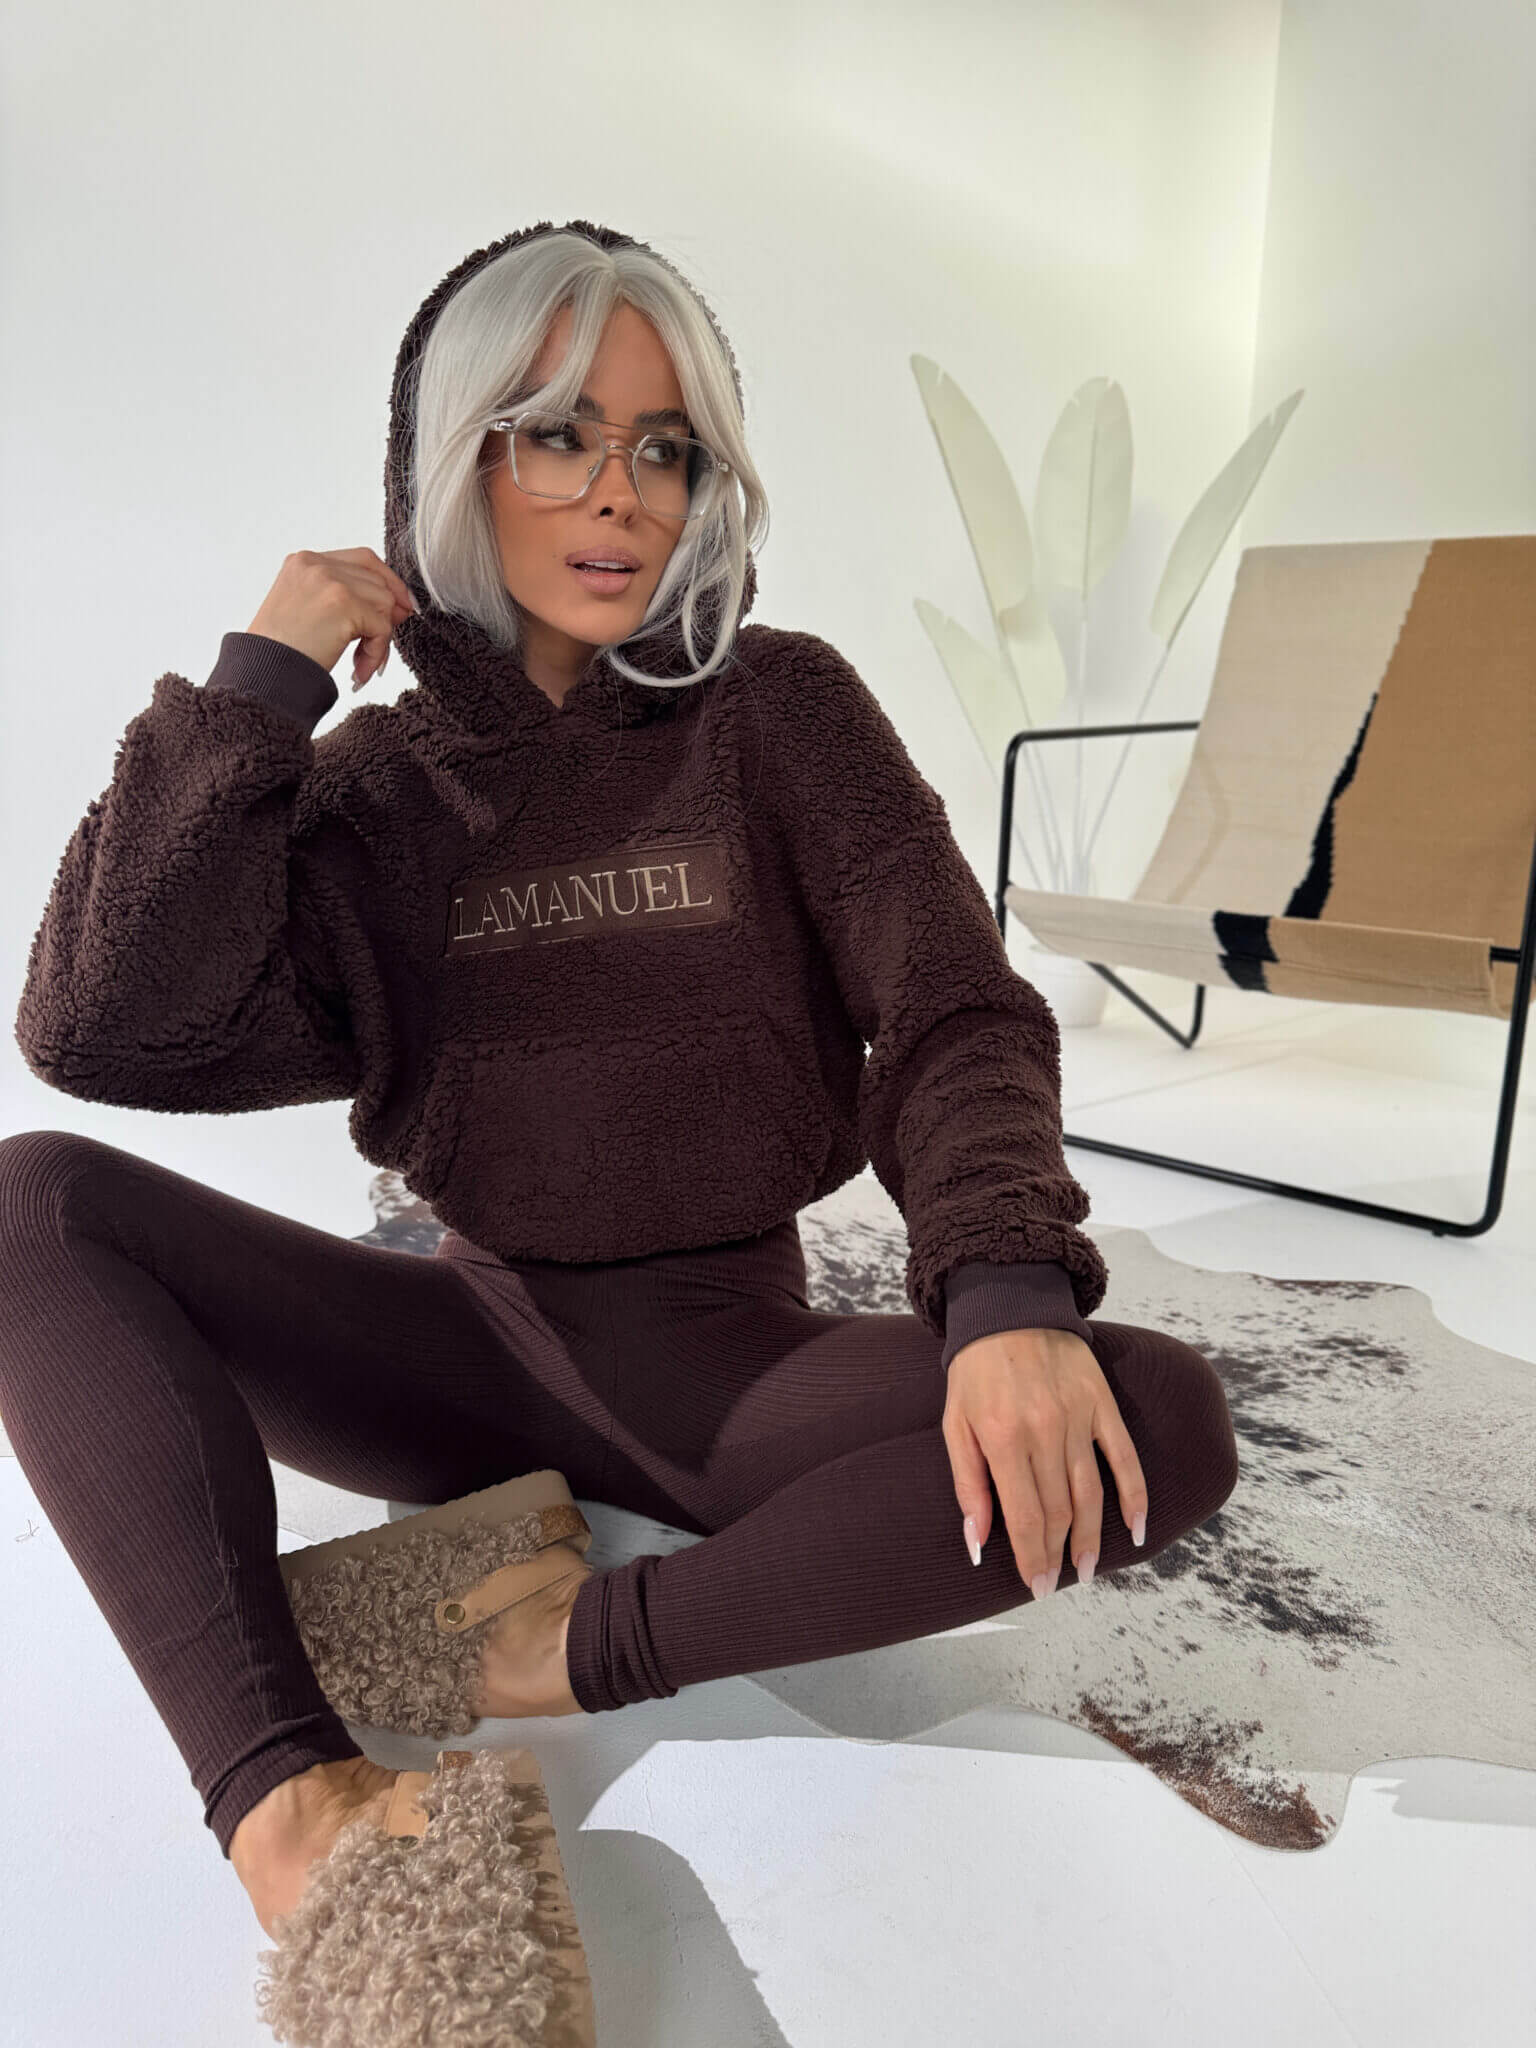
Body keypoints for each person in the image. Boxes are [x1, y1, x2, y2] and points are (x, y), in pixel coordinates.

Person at [1, 220, 1239, 1941]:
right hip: (457, 1354)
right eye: (559, 435)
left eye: (664, 449)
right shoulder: (374, 792)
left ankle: (556, 1645)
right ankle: (286, 1800)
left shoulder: (782, 712)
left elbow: (954, 1009)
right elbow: (99, 1029)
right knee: (29, 1204)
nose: (620, 495)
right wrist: (258, 690)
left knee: (1154, 1420)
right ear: (456, 461)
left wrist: (1005, 1294)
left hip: (738, 1370)